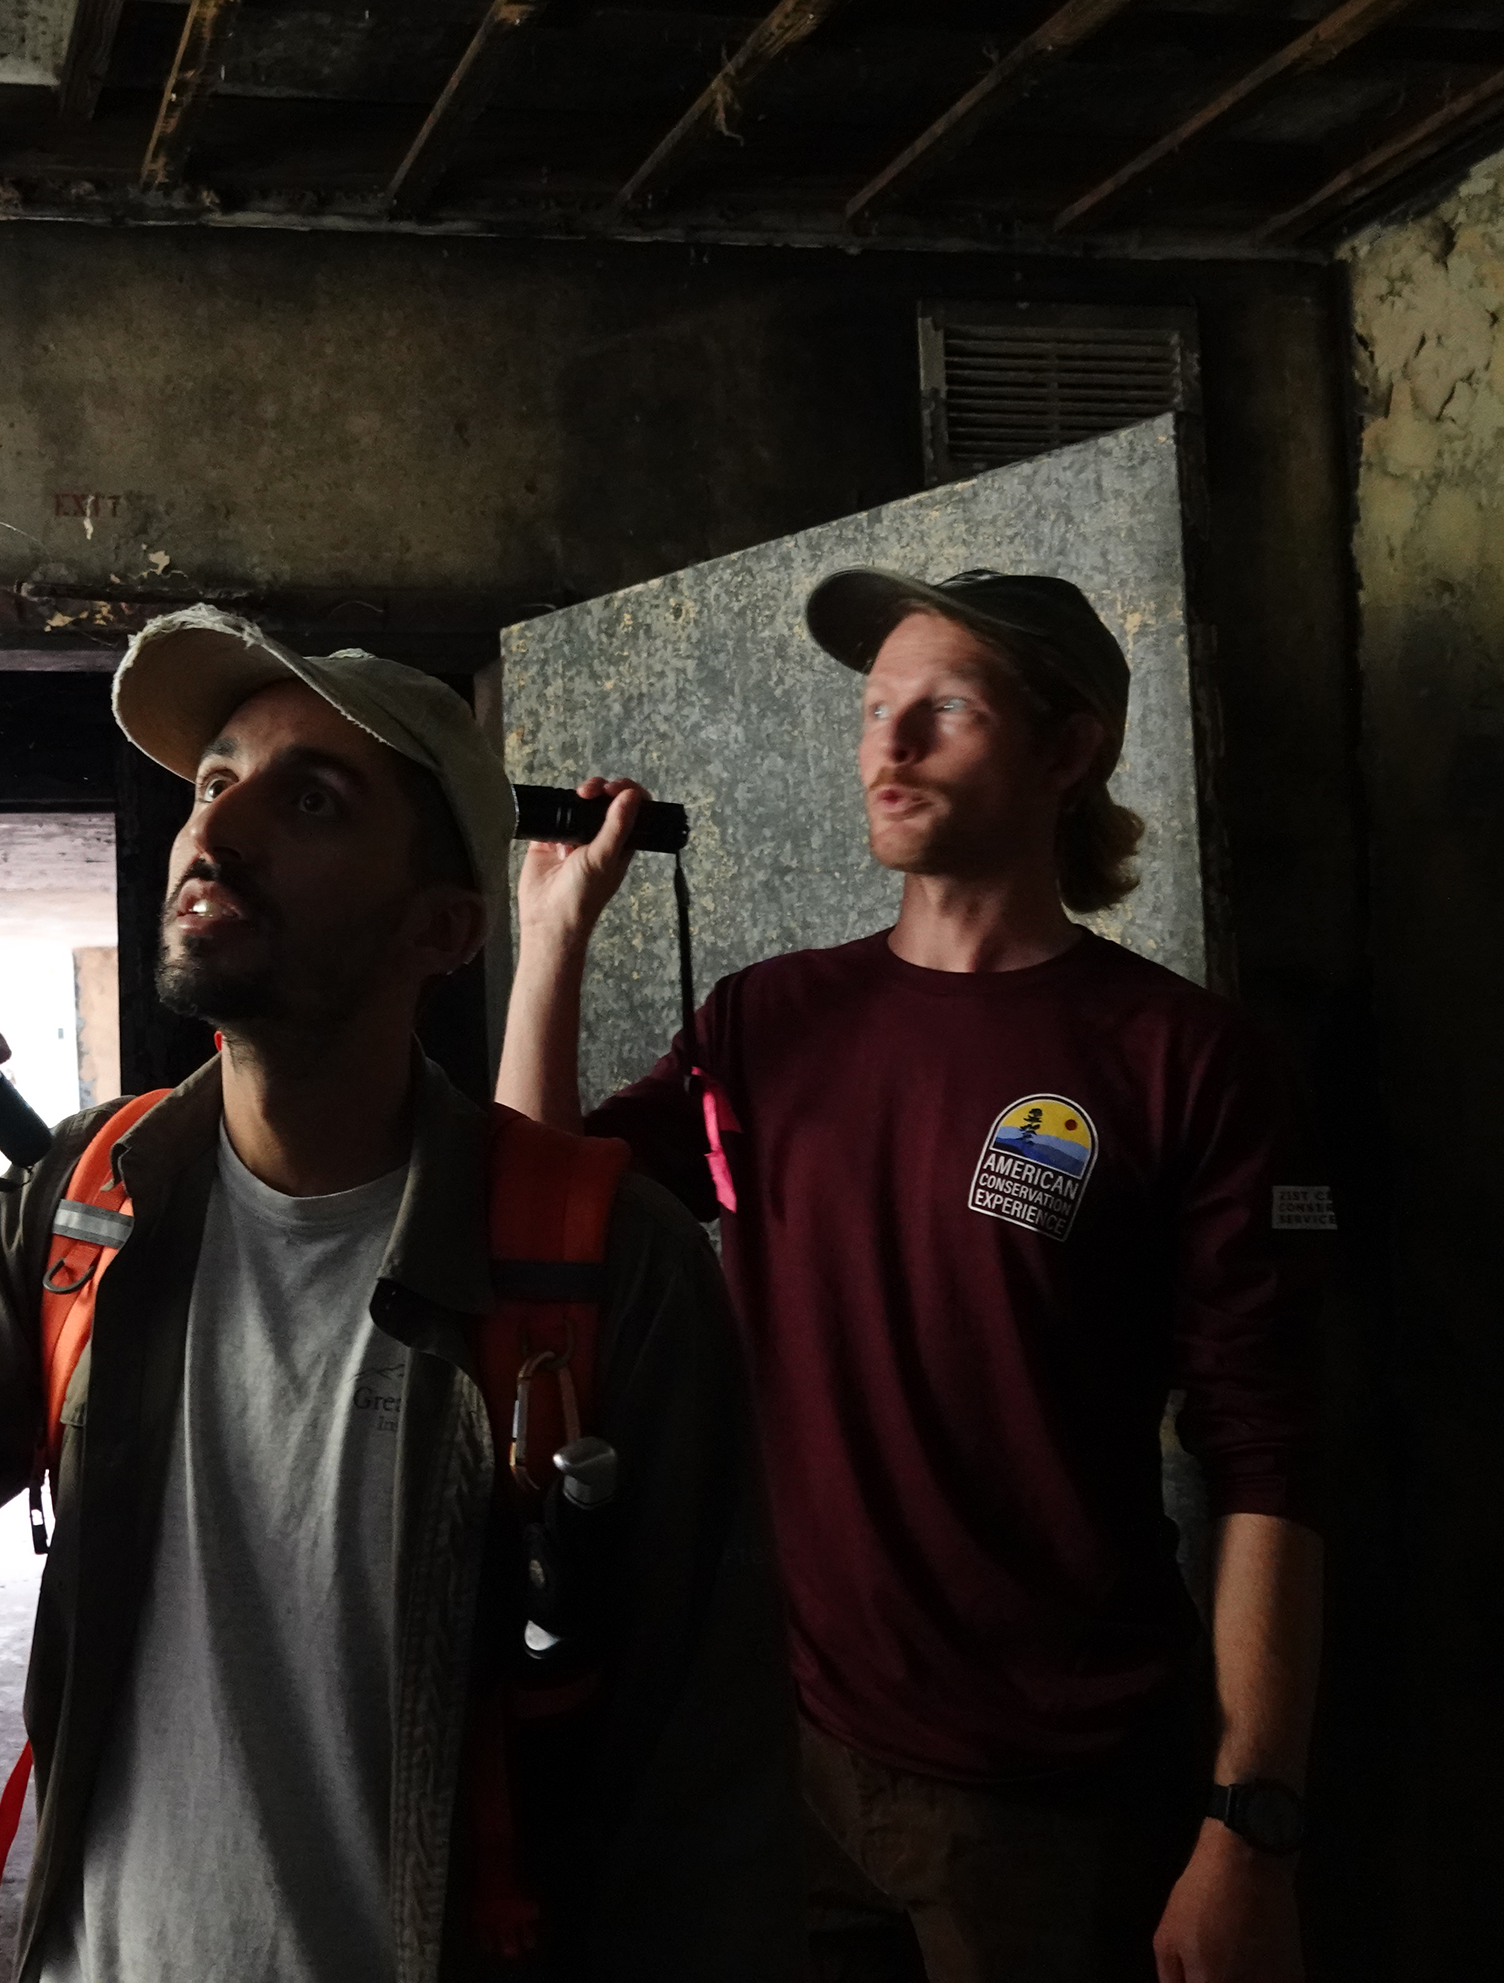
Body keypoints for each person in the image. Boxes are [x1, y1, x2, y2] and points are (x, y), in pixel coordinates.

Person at [0, 606, 798, 1982]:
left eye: (313, 801)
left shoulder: (608, 1262)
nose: (215, 834)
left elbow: (715, 1803)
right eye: (213, 783)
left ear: (442, 929)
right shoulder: (77, 1208)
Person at [497, 570, 1331, 1983]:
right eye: (876, 710)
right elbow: (535, 1220)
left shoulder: (1185, 1061)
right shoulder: (769, 1021)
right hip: (782, 1753)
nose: (887, 748)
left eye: (943, 709)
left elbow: (1274, 1459)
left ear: (1067, 754)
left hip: (1049, 1798)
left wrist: (1247, 1828)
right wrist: (552, 944)